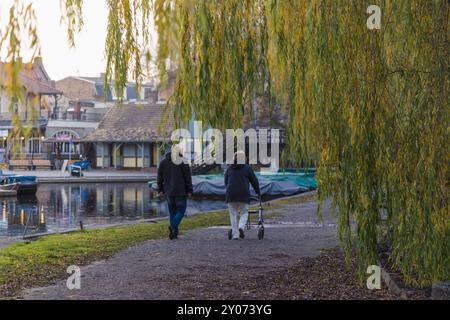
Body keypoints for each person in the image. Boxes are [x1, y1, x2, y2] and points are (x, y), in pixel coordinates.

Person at [157, 145, 193, 240]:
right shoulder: (183, 161)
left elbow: (159, 177)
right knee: (181, 211)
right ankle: (173, 226)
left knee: (172, 212)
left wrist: (160, 189)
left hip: (168, 191)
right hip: (181, 192)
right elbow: (187, 178)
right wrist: (190, 190)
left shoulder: (163, 162)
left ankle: (174, 234)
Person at [224, 151, 260, 240]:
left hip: (231, 194)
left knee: (233, 214)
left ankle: (235, 235)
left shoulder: (229, 168)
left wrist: (229, 189)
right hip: (243, 193)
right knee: (244, 212)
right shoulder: (247, 168)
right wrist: (258, 192)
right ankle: (241, 227)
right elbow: (254, 181)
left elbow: (226, 181)